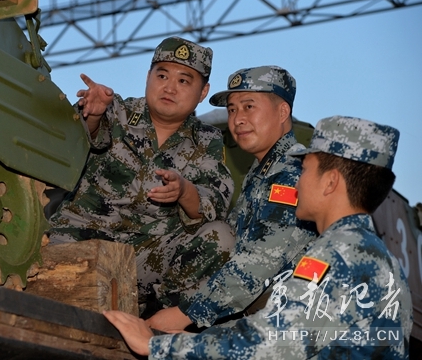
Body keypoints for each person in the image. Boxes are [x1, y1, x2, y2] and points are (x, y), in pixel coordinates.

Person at [104, 115, 413, 359]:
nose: (298, 181)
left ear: (330, 182)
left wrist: (157, 347)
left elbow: (274, 344)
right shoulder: (375, 256)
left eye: (304, 169)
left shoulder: (338, 254)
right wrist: (197, 341)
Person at [47, 36, 235, 313]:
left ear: (203, 92)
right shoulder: (117, 111)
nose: (170, 87)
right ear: (148, 77)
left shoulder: (206, 140)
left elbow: (213, 200)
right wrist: (94, 114)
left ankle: (157, 316)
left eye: (184, 81)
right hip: (81, 239)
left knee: (221, 236)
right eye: (162, 75)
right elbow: (81, 138)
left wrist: (184, 191)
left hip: (143, 259)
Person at [145, 65, 318, 331]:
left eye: (249, 107)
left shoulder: (293, 173)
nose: (237, 119)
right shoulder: (262, 172)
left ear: (283, 112)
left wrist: (184, 315)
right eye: (232, 109)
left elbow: (260, 262)